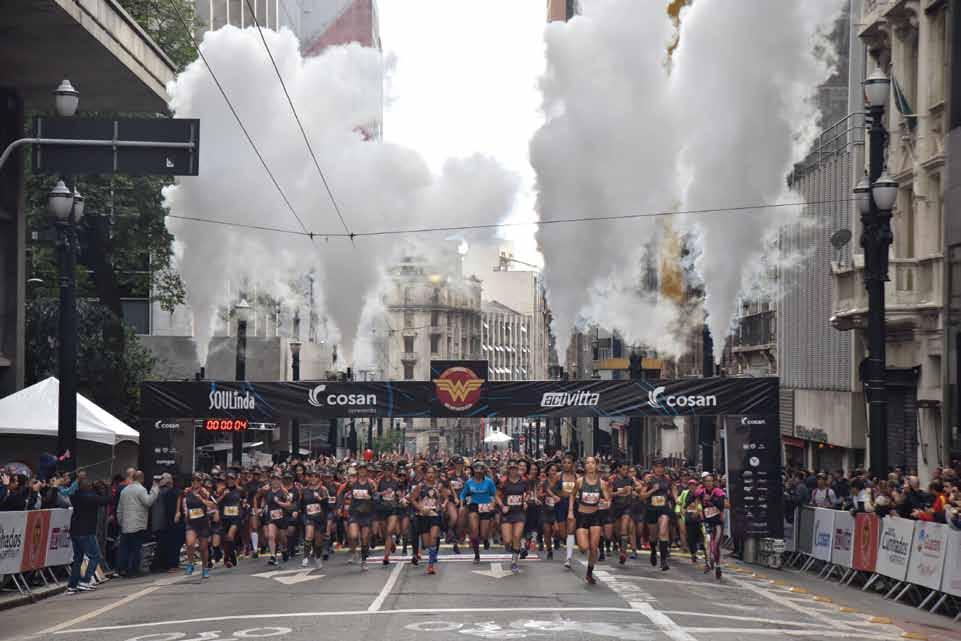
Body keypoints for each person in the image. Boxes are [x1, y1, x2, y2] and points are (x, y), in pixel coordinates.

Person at [67, 477, 111, 593]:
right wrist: (107, 487)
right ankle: (85, 581)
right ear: (87, 487)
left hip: (75, 531)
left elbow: (97, 497)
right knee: (95, 556)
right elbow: (106, 500)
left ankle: (72, 585)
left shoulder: (75, 496)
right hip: (87, 532)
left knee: (78, 559)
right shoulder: (91, 497)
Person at [570, 456, 609, 584]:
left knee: (593, 548)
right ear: (585, 466)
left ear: (596, 466)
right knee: (583, 547)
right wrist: (570, 511)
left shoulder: (602, 483)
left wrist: (606, 503)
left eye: (593, 463)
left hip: (595, 516)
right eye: (588, 463)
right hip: (582, 515)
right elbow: (572, 495)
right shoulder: (580, 481)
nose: (590, 465)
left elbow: (608, 500)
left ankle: (589, 573)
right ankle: (581, 543)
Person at [116, 471, 159, 577]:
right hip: (137, 524)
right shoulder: (141, 489)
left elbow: (119, 509)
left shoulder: (125, 490)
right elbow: (148, 501)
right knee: (136, 548)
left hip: (126, 524)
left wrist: (121, 521)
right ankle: (133, 571)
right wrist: (155, 488)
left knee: (125, 548)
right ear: (142, 478)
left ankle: (123, 569)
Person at [176, 473, 216, 578]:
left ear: (201, 482)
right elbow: (179, 498)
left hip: (203, 522)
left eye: (197, 481)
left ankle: (205, 567)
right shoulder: (187, 491)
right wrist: (178, 512)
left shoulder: (205, 492)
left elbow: (213, 505)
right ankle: (190, 564)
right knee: (190, 543)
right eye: (193, 480)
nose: (195, 483)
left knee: (203, 548)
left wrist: (202, 499)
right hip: (191, 522)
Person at [411, 464, 447, 575]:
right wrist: (421, 508)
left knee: (433, 538)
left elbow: (446, 497)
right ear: (425, 474)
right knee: (426, 543)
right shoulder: (420, 486)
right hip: (423, 517)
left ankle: (431, 566)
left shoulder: (439, 486)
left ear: (435, 474)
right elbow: (412, 499)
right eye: (428, 473)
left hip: (435, 516)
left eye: (432, 473)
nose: (431, 475)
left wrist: (442, 505)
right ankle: (430, 554)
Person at [640, 459, 674, 571]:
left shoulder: (667, 479)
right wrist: (652, 490)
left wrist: (676, 498)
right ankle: (653, 550)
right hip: (651, 510)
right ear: (653, 468)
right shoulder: (649, 480)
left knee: (663, 532)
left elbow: (673, 489)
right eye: (657, 467)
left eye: (662, 467)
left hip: (663, 509)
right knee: (653, 536)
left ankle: (663, 561)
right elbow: (642, 496)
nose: (660, 469)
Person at [461, 461, 497, 564]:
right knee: (474, 533)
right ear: (474, 472)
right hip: (474, 506)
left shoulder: (489, 482)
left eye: (481, 472)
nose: (478, 474)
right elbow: (463, 494)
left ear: (484, 472)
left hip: (485, 507)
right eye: (477, 472)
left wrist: (492, 505)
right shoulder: (469, 482)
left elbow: (494, 495)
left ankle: (485, 540)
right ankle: (476, 555)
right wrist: (461, 504)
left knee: (484, 534)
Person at [498, 459, 528, 574]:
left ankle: (514, 561)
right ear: (508, 470)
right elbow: (496, 495)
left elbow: (527, 492)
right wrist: (502, 506)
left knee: (517, 535)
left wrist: (525, 501)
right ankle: (513, 548)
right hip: (507, 513)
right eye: (511, 469)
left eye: (515, 469)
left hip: (519, 512)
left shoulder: (524, 481)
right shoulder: (503, 481)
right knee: (507, 540)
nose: (513, 471)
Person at [346, 462, 377, 570]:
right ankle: (355, 551)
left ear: (367, 471)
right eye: (360, 469)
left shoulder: (371, 483)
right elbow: (341, 492)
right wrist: (341, 505)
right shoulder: (352, 483)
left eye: (364, 469)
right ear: (357, 471)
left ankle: (364, 560)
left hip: (366, 514)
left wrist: (370, 498)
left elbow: (376, 498)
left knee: (364, 539)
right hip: (354, 513)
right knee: (354, 536)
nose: (362, 471)